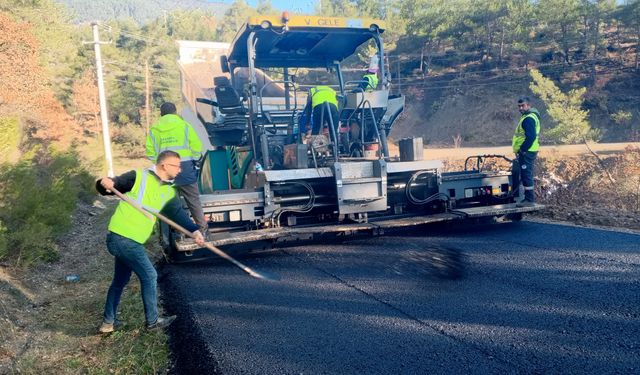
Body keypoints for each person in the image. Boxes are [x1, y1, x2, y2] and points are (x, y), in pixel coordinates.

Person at [96, 150, 205, 333]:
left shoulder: (169, 191)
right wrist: (103, 183)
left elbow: (177, 215)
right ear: (164, 165)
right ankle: (153, 323)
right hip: (122, 238)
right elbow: (111, 185)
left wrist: (194, 231)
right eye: (177, 166)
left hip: (131, 241)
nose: (179, 170)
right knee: (150, 275)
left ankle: (108, 323)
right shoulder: (138, 177)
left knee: (120, 280)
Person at [146, 102, 208, 237]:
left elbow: (150, 153)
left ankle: (178, 233)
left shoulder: (155, 129)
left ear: (161, 114)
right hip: (184, 167)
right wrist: (195, 159)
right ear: (175, 112)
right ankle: (202, 230)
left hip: (165, 169)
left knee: (171, 202)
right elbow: (196, 146)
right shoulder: (184, 126)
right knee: (193, 200)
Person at [512, 96, 541, 207]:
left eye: (522, 106)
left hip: (527, 151)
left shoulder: (528, 118)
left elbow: (531, 136)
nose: (520, 108)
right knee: (526, 173)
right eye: (519, 106)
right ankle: (528, 198)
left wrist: (523, 150)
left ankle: (529, 199)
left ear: (529, 105)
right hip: (529, 150)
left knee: (526, 174)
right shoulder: (529, 117)